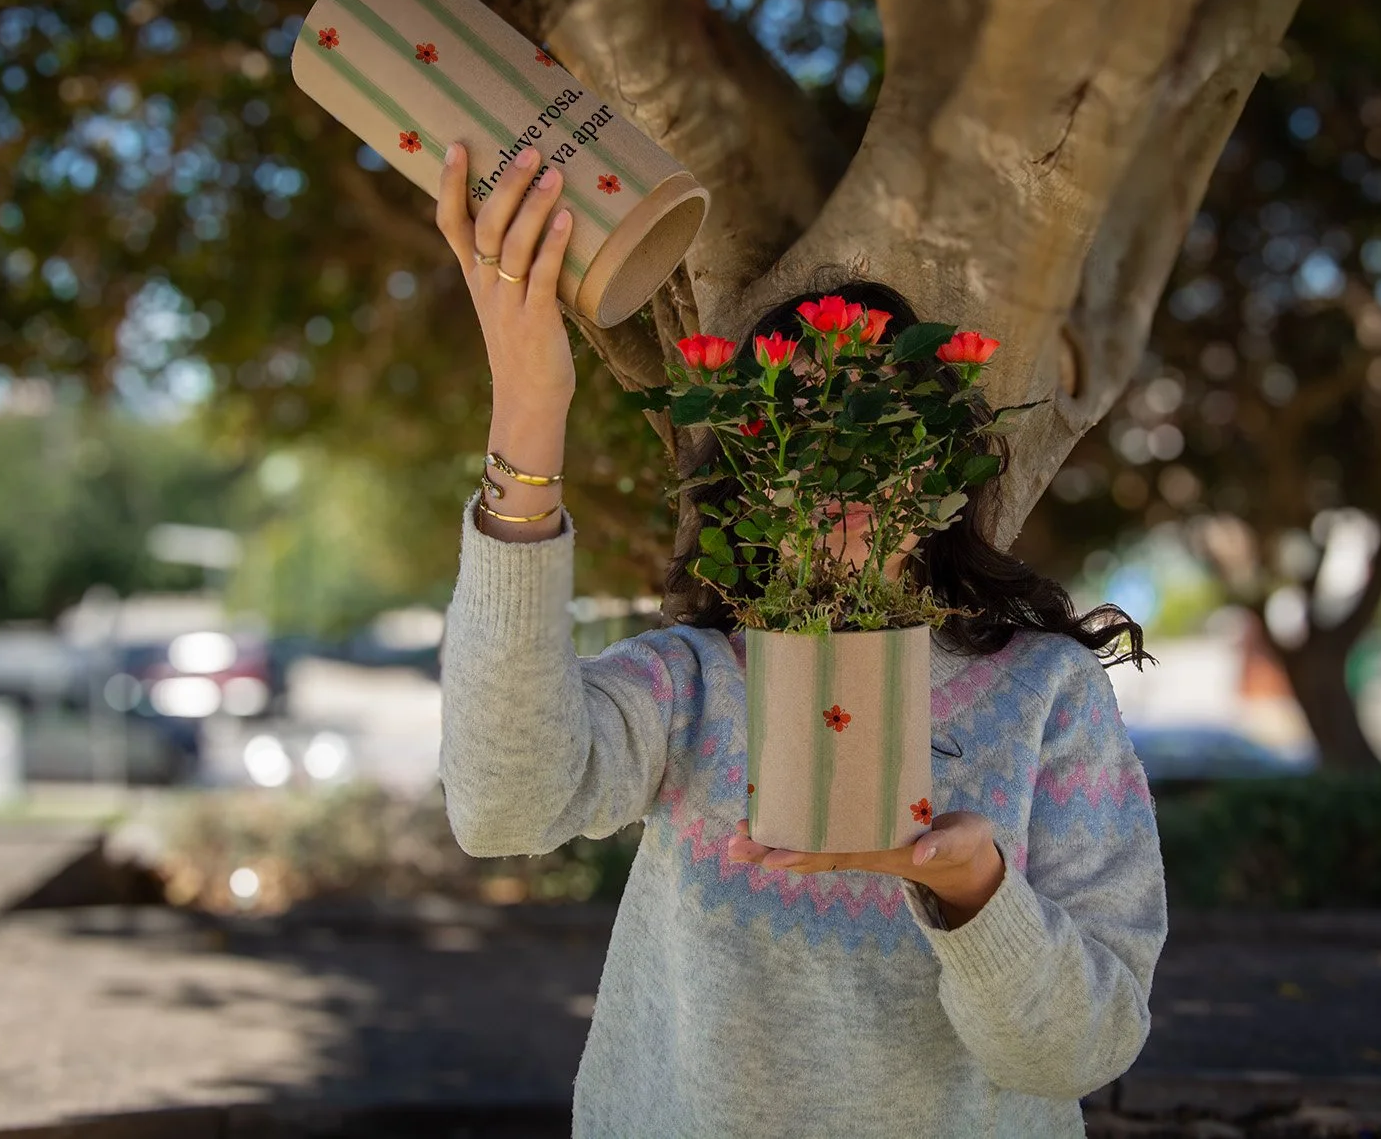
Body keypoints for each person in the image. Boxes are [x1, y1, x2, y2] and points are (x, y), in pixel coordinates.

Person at [433, 138, 1167, 1137]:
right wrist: (527, 412)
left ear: (939, 468)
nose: (847, 477)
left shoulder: (1045, 694)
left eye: (882, 435)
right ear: (754, 477)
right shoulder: (690, 682)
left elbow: (1082, 1048)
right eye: (806, 432)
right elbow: (501, 805)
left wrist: (973, 890)